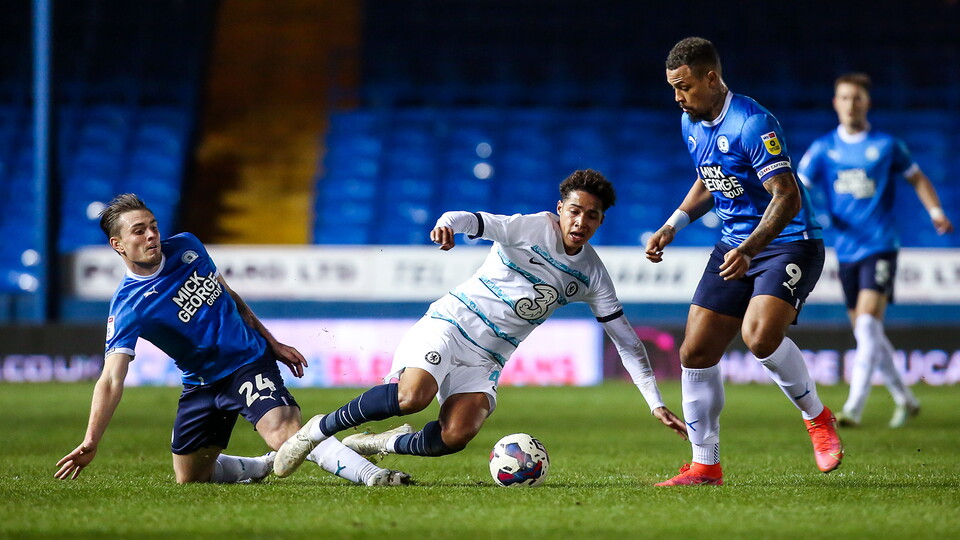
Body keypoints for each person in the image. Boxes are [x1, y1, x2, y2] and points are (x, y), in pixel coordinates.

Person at [271, 169, 687, 479]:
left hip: (487, 357)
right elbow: (471, 218)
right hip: (451, 324)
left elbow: (627, 342)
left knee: (455, 436)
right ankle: (315, 432)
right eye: (575, 211)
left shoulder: (592, 276)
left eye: (591, 216)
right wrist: (448, 224)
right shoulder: (530, 227)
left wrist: (654, 402)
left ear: (600, 222)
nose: (580, 222)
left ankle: (384, 442)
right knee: (414, 397)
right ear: (561, 209)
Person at [55, 193, 410, 486]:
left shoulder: (187, 247)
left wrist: (270, 342)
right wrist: (91, 440)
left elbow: (228, 296)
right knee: (191, 478)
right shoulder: (129, 306)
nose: (151, 236)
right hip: (200, 383)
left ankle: (375, 476)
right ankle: (265, 465)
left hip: (247, 362)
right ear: (118, 245)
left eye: (153, 226)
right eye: (139, 231)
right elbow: (111, 378)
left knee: (283, 431)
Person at [645, 37, 843, 486]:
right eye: (673, 87)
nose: (678, 96)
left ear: (711, 78)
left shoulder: (753, 124)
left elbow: (787, 197)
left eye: (685, 86)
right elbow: (709, 179)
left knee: (758, 335)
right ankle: (705, 465)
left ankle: (817, 418)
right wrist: (674, 223)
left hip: (789, 242)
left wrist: (751, 249)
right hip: (734, 244)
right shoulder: (689, 122)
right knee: (695, 351)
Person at [797, 73, 954, 428]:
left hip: (881, 244)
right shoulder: (823, 149)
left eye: (857, 98)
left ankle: (853, 406)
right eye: (844, 98)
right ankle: (906, 399)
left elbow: (917, 177)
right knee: (868, 332)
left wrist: (935, 211)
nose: (851, 104)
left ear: (867, 103)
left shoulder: (886, 145)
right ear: (835, 103)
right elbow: (797, 187)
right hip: (847, 249)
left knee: (867, 324)